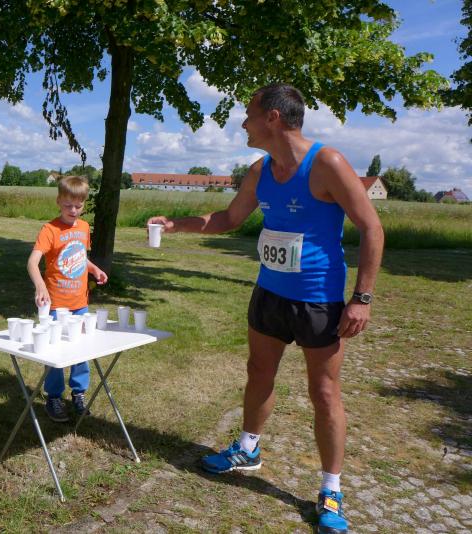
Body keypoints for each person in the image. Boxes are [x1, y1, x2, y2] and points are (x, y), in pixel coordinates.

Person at [148, 84, 383, 534]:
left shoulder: (327, 163)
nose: (243, 123)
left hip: (318, 298)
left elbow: (372, 228)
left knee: (324, 393)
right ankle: (248, 447)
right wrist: (176, 224)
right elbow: (229, 218)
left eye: (248, 114)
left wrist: (361, 298)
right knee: (258, 371)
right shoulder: (260, 170)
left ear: (273, 118)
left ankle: (331, 489)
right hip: (269, 293)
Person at [27, 175, 108, 422]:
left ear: (84, 204)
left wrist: (93, 269)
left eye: (78, 206)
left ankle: (78, 393)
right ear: (58, 202)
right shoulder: (49, 230)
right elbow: (32, 262)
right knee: (55, 353)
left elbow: (79, 256)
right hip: (55, 306)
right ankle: (53, 397)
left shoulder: (83, 228)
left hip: (79, 304)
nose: (73, 210)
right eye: (67, 205)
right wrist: (40, 285)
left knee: (81, 351)